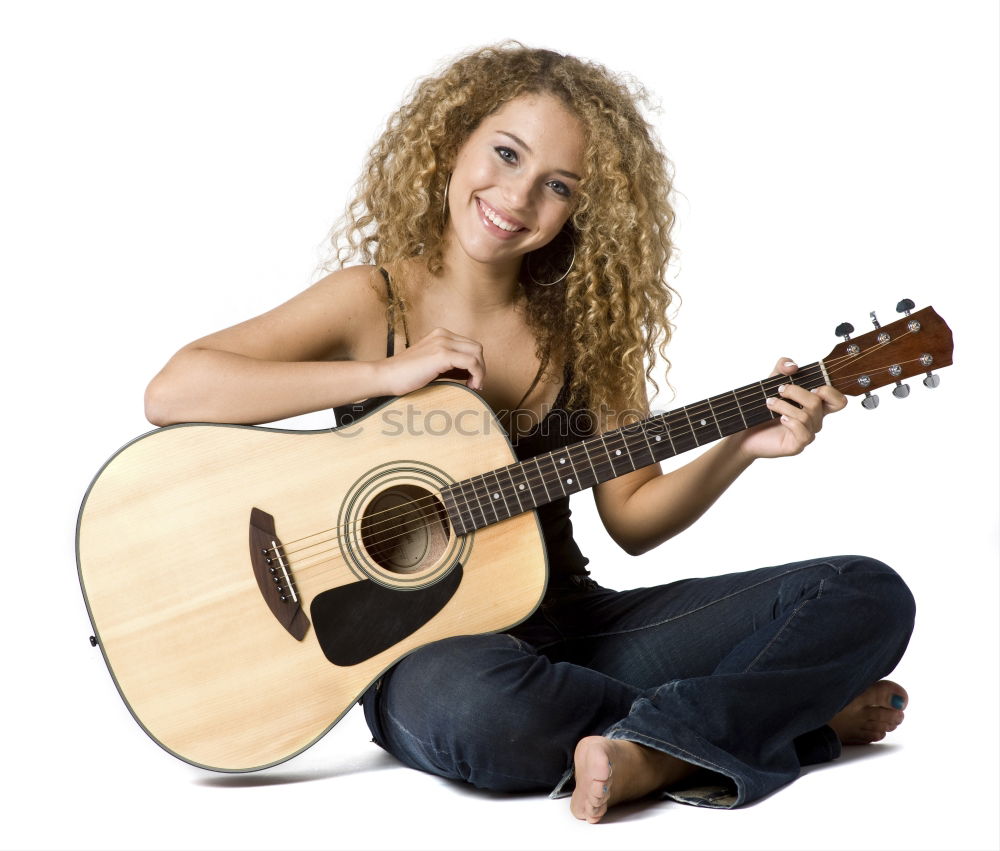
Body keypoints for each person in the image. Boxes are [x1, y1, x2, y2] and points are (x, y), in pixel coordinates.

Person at [144, 43, 915, 823]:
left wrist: (736, 448)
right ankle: (781, 719)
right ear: (453, 143)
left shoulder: (588, 334)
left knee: (865, 593)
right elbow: (176, 390)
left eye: (557, 186)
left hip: (573, 626)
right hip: (424, 659)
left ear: (582, 210)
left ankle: (660, 746)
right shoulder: (371, 301)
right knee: (479, 714)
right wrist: (384, 374)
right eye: (506, 154)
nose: (516, 196)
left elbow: (634, 518)